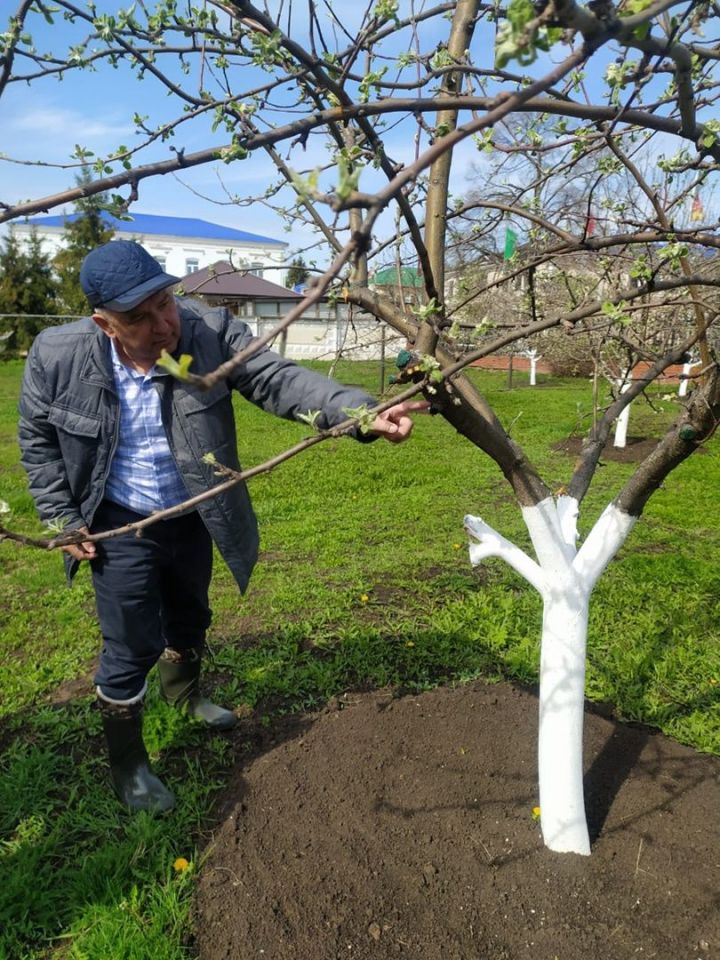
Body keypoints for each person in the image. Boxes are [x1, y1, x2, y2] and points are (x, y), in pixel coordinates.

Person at [18, 240, 427, 813]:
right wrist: (63, 518)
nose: (164, 325)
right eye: (139, 318)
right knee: (131, 640)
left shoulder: (207, 331)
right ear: (104, 323)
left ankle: (184, 695)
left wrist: (356, 412)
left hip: (193, 508)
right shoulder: (58, 354)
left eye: (165, 302)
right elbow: (37, 443)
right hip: (116, 522)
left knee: (190, 613)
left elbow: (276, 378)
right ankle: (130, 767)